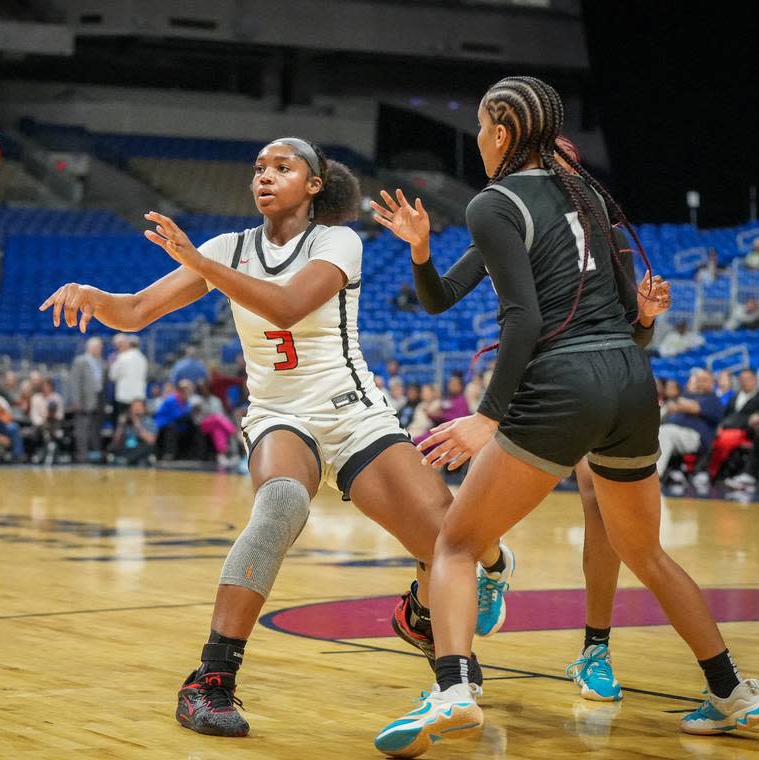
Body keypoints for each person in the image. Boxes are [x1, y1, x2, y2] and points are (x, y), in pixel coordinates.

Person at [39, 135, 505, 739]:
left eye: (282, 168)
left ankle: (421, 615)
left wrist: (204, 266)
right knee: (281, 503)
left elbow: (287, 306)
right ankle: (210, 680)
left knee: (444, 538)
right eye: (259, 168)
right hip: (279, 413)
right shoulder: (228, 247)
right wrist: (93, 296)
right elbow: (132, 312)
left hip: (351, 411)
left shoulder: (338, 240)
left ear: (313, 185)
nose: (265, 176)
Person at [372, 77, 759, 756]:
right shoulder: (586, 196)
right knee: (644, 551)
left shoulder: (495, 201)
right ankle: (732, 689)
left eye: (479, 124)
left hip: (563, 383)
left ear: (501, 132)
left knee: (457, 545)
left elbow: (524, 318)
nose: (477, 136)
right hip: (629, 378)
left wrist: (487, 418)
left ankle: (454, 690)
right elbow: (441, 297)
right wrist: (418, 249)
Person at [389, 130, 671, 704]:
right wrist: (420, 251)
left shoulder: (599, 231)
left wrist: (644, 318)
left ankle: (595, 648)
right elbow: (440, 296)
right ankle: (491, 574)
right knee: (474, 517)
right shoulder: (508, 220)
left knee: (602, 515)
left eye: (564, 164)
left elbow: (628, 336)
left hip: (588, 383)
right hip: (537, 383)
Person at [69, 336, 106, 463]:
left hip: (98, 399)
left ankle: (95, 456)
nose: (100, 350)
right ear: (90, 348)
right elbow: (75, 383)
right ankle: (82, 456)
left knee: (95, 430)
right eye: (98, 347)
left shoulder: (101, 361)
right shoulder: (80, 361)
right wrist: (76, 401)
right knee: (82, 430)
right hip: (84, 401)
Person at [109, 334, 148, 419]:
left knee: (122, 423)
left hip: (124, 397)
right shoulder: (143, 359)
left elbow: (113, 376)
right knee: (137, 423)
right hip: (138, 395)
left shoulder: (122, 357)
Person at [109, 398, 158, 465]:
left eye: (139, 407)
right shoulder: (126, 420)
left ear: (144, 409)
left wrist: (138, 425)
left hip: (139, 447)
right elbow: (115, 441)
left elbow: (151, 440)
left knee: (147, 447)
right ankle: (127, 459)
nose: (136, 409)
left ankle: (125, 459)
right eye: (134, 407)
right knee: (113, 447)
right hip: (127, 447)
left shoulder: (148, 421)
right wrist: (120, 426)